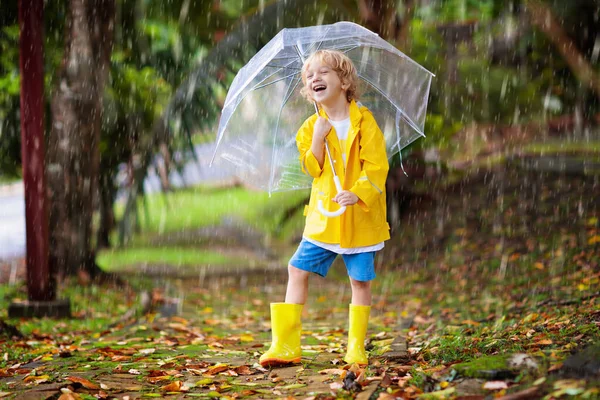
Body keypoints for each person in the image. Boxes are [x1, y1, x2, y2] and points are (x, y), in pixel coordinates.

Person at [259, 49, 390, 367]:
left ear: (344, 81)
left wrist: (357, 193)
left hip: (359, 217)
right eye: (309, 76)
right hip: (324, 219)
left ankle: (356, 348)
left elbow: (377, 166)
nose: (315, 78)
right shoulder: (309, 127)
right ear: (307, 90)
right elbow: (313, 168)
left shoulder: (364, 122)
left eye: (323, 72)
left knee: (360, 281)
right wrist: (318, 138)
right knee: (297, 269)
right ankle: (286, 346)